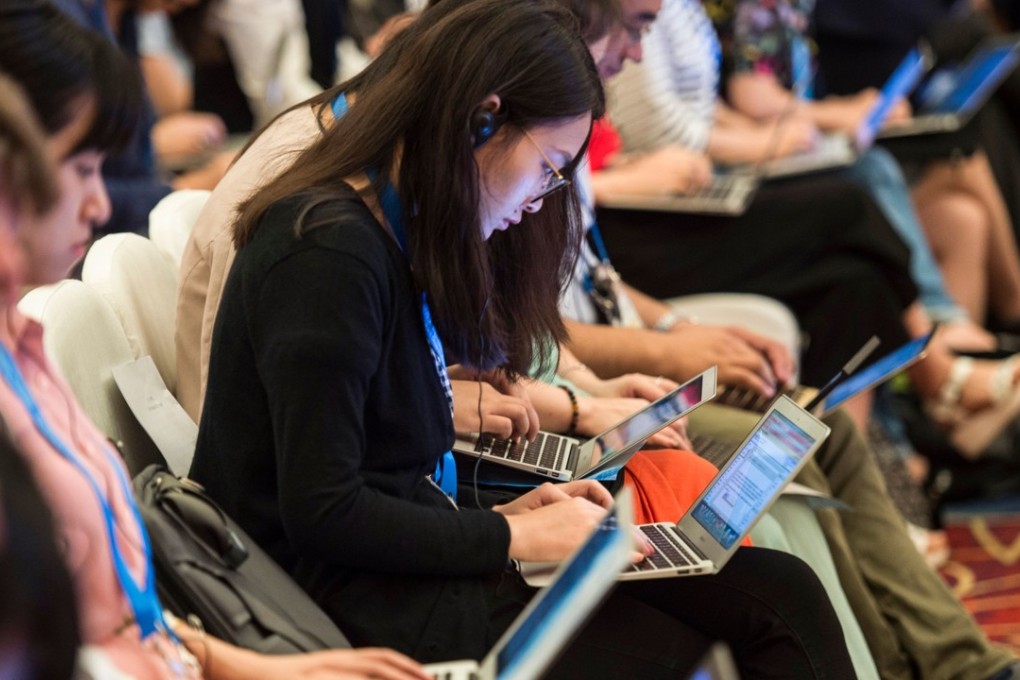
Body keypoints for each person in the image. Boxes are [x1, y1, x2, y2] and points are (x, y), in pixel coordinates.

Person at [190, 0, 854, 675]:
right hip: (349, 603)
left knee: (780, 596)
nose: (541, 199)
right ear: (483, 120)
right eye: (547, 168)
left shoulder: (389, 237)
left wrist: (519, 512)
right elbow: (324, 514)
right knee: (686, 654)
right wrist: (512, 532)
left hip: (405, 563)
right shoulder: (327, 256)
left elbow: (393, 473)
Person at [0, 4, 430, 678]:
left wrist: (264, 667)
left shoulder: (24, 347)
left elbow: (120, 613)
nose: (100, 203)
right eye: (81, 167)